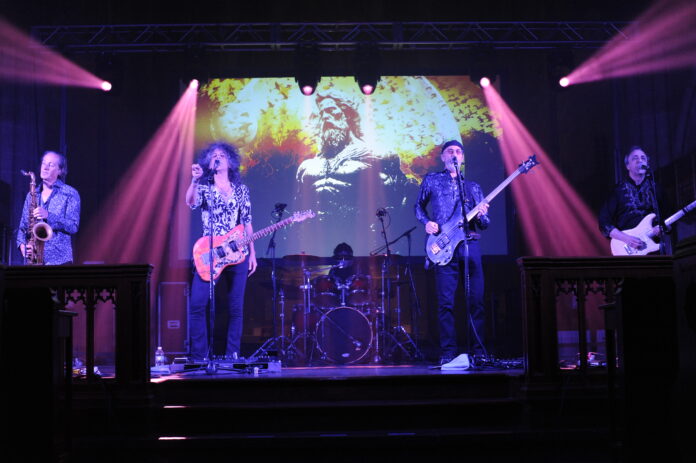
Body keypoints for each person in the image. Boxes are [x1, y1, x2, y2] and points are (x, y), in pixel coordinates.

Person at [414, 140, 490, 365]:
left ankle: (478, 351)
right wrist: (427, 222)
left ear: (463, 157)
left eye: (458, 151)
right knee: (445, 302)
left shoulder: (473, 187)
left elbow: (485, 224)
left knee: (476, 300)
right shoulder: (432, 180)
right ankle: (448, 352)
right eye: (450, 151)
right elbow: (418, 206)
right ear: (443, 157)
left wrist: (482, 214)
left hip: (470, 246)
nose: (454, 155)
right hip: (444, 247)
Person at [186, 142, 257, 361]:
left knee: (236, 307)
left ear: (230, 161)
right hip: (211, 253)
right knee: (198, 305)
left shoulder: (241, 190)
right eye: (214, 155)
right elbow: (191, 202)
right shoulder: (205, 187)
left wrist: (252, 253)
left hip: (237, 254)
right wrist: (194, 180)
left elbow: (246, 223)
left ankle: (232, 356)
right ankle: (199, 357)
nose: (218, 157)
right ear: (209, 162)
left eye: (222, 155)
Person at [598, 146, 668, 254]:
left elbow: (668, 218)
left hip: (653, 249)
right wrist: (627, 239)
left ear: (647, 164)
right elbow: (604, 223)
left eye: (643, 158)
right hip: (627, 249)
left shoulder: (656, 189)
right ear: (627, 166)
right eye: (635, 158)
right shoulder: (618, 190)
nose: (640, 160)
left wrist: (662, 229)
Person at [17, 150, 80, 265]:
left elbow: (73, 226)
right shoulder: (31, 195)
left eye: (50, 165)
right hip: (34, 261)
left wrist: (48, 216)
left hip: (60, 261)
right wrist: (22, 245)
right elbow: (23, 227)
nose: (45, 167)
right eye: (44, 163)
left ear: (60, 170)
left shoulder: (70, 193)